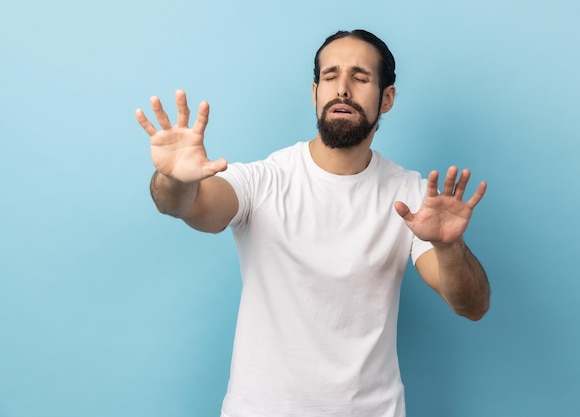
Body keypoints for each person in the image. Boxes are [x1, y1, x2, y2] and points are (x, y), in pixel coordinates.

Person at [136, 29, 490, 417]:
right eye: (330, 76)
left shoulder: (411, 196)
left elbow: (471, 306)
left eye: (360, 77)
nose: (342, 89)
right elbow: (190, 206)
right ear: (314, 92)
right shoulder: (265, 179)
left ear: (386, 99)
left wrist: (448, 245)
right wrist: (175, 179)